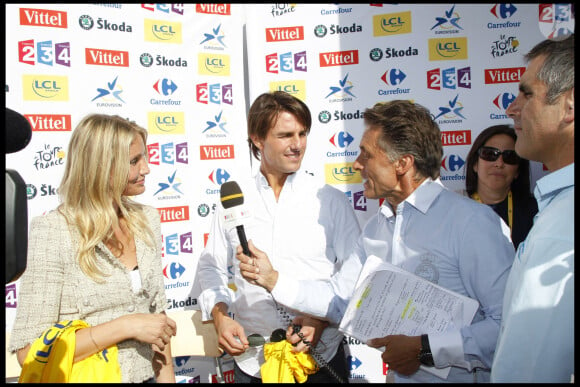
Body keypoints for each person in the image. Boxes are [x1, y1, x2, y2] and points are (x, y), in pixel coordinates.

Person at [237, 99, 516, 383]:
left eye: (366, 155)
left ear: (402, 163)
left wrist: (426, 349)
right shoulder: (375, 229)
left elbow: (509, 324)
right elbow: (339, 299)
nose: (357, 164)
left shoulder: (472, 223)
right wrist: (272, 279)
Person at [196, 91, 361, 383]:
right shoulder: (234, 199)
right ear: (258, 139)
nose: (297, 144)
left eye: (302, 133)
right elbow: (211, 267)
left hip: (319, 360)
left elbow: (354, 278)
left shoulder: (331, 201)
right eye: (285, 135)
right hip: (252, 362)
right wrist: (220, 316)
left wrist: (319, 319)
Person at [8, 114, 177, 383]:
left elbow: (159, 321)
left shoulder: (147, 219)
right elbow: (30, 350)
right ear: (100, 166)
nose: (146, 169)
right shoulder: (54, 230)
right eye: (134, 161)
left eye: (144, 157)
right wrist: (126, 326)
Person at [491, 34, 574, 383]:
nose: (512, 108)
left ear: (570, 106)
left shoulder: (564, 226)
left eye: (527, 93)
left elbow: (530, 371)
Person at [465, 124, 538, 249]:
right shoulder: (454, 208)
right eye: (490, 154)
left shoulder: (536, 212)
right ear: (475, 164)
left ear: (517, 171)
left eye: (510, 157)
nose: (499, 163)